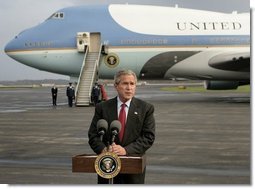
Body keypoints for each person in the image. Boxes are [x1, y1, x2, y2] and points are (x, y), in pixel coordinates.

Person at [88, 69, 155, 184]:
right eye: (125, 83)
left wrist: (125, 150)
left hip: (133, 168)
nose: (129, 88)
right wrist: (103, 149)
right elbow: (93, 135)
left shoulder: (146, 108)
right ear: (116, 86)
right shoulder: (102, 107)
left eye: (132, 84)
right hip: (107, 165)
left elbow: (148, 137)